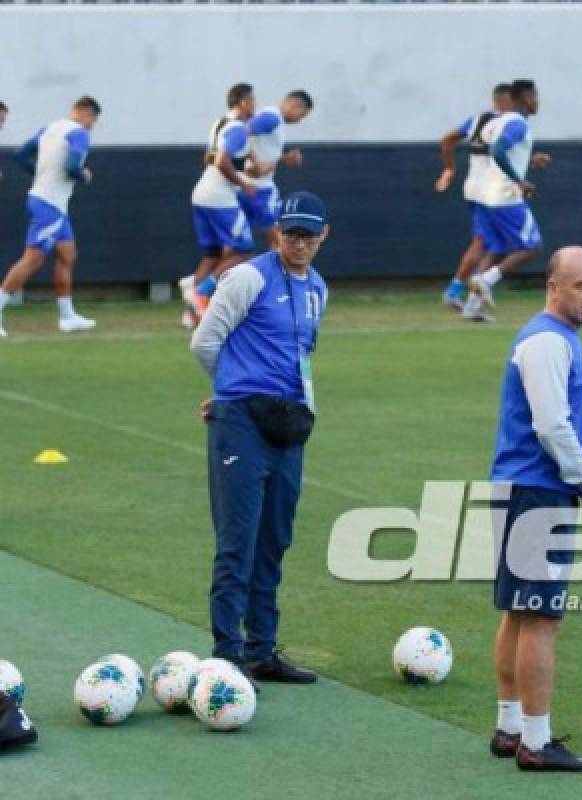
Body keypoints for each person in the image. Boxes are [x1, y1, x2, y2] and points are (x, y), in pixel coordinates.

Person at [189, 190, 330, 685]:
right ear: (277, 233)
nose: (300, 242)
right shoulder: (248, 277)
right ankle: (227, 655)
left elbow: (302, 355)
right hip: (242, 421)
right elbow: (204, 340)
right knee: (237, 541)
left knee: (275, 539)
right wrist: (229, 392)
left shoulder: (318, 288)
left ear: (323, 236)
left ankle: (262, 649)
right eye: (291, 233)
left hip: (289, 425)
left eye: (309, 234)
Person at [488, 246, 582, 771]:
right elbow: (551, 425)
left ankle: (510, 727)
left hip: (524, 490)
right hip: (537, 491)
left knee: (519, 610)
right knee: (540, 616)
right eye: (581, 285)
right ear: (553, 287)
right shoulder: (547, 341)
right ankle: (536, 741)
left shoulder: (556, 339)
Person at [0, 96, 102, 338]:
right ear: (86, 113)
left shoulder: (50, 128)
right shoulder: (79, 133)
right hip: (50, 204)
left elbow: (21, 155)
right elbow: (72, 166)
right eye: (94, 120)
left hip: (49, 202)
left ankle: (67, 317)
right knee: (33, 259)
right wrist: (84, 175)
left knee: (67, 254)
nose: (92, 126)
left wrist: (42, 174)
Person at [462, 79, 550, 323]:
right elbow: (498, 151)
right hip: (506, 196)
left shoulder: (496, 122)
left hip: (486, 195)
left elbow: (497, 151)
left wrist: (528, 161)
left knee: (496, 248)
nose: (537, 102)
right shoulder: (518, 124)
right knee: (532, 246)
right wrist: (518, 180)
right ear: (525, 98)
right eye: (535, 96)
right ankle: (485, 280)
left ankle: (472, 306)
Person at [181, 83, 259, 329]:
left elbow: (209, 157)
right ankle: (201, 292)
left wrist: (243, 165)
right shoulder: (238, 129)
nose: (255, 106)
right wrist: (242, 183)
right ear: (244, 103)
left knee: (213, 254)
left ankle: (192, 313)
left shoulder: (219, 124)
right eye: (253, 101)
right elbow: (223, 161)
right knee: (243, 251)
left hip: (201, 192)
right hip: (219, 197)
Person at [436, 83, 514, 310]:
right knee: (499, 244)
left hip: (474, 187)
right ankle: (470, 295)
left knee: (485, 242)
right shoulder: (506, 124)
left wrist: (449, 169)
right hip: (493, 189)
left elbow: (448, 139)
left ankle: (461, 292)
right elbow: (502, 154)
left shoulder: (478, 120)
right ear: (506, 101)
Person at [241, 90, 315, 252]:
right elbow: (241, 133)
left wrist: (284, 158)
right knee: (281, 235)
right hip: (259, 187)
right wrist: (249, 163)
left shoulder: (274, 121)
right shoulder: (272, 118)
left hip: (251, 185)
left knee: (240, 248)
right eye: (301, 115)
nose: (299, 120)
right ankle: (279, 275)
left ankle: (199, 278)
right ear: (294, 105)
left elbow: (260, 149)